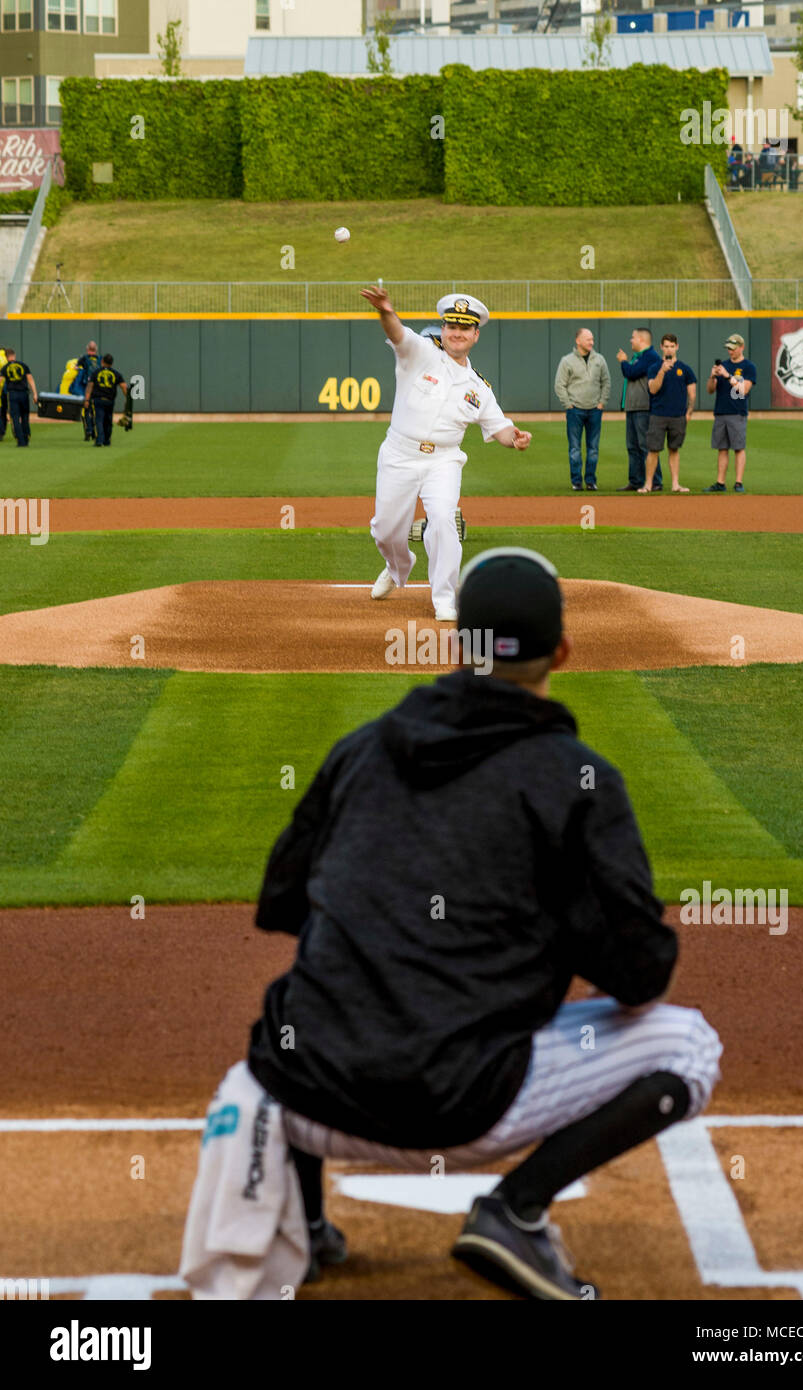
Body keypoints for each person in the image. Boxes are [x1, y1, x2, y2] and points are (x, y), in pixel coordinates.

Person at [180, 547, 722, 1301]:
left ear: (455, 644)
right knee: (689, 1045)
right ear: (560, 651)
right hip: (469, 1110)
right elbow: (640, 976)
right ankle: (514, 1210)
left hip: (309, 1098)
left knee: (304, 998)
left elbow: (282, 904)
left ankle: (304, 1227)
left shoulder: (361, 750)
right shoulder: (576, 777)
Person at [361, 287, 531, 624]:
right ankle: (397, 568)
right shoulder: (420, 354)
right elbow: (397, 333)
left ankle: (444, 598)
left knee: (442, 520)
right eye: (451, 326)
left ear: (475, 335)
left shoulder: (478, 387)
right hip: (399, 454)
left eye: (464, 328)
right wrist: (385, 311)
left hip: (443, 460)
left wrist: (516, 438)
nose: (457, 333)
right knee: (385, 531)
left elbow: (499, 427)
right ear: (443, 329)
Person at [638, 334, 696, 494]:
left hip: (678, 415)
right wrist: (662, 371)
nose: (669, 349)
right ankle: (648, 484)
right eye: (666, 346)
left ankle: (675, 484)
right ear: (661, 347)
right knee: (653, 450)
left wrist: (689, 413)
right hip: (658, 415)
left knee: (674, 449)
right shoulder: (654, 368)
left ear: (677, 347)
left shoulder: (685, 369)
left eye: (672, 346)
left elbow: (692, 393)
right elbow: (653, 389)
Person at [554, 327, 610, 492]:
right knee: (575, 448)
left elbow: (606, 382)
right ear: (578, 341)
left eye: (592, 339)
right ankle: (577, 482)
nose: (591, 342)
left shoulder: (599, 360)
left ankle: (591, 481)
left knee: (593, 448)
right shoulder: (567, 361)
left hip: (595, 409)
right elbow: (559, 385)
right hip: (575, 410)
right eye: (588, 339)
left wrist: (602, 403)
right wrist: (568, 404)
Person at [703, 333, 757, 494]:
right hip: (721, 411)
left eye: (733, 348)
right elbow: (710, 390)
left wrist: (728, 376)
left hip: (737, 412)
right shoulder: (724, 366)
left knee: (739, 448)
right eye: (728, 348)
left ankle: (738, 482)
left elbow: (744, 390)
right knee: (722, 448)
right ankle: (720, 482)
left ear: (742, 348)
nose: (730, 351)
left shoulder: (748, 366)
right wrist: (712, 377)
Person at [615, 327, 663, 492]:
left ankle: (655, 482)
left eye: (633, 337)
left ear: (642, 340)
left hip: (644, 407)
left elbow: (632, 372)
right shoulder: (639, 357)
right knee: (633, 446)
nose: (631, 340)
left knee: (646, 446)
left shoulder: (650, 356)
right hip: (633, 407)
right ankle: (636, 481)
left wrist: (623, 361)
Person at [83, 354, 127, 447]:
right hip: (110, 400)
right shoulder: (116, 373)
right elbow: (124, 387)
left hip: (98, 400)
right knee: (108, 420)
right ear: (112, 363)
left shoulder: (96, 372)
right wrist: (128, 400)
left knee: (99, 420)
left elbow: (89, 387)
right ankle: (107, 440)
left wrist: (87, 400)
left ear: (102, 361)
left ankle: (99, 440)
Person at [0, 348, 38, 448]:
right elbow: (30, 379)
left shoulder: (5, 368)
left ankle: (20, 441)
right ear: (14, 355)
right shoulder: (23, 365)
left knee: (15, 418)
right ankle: (26, 437)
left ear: (6, 357)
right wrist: (35, 394)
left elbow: (0, 381)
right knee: (25, 416)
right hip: (24, 394)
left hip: (12, 394)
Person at [74, 339, 101, 440]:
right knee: (97, 411)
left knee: (86, 410)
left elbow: (76, 368)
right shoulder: (100, 359)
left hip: (87, 388)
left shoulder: (84, 358)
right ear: (96, 349)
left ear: (87, 349)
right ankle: (95, 432)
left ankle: (88, 430)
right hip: (99, 389)